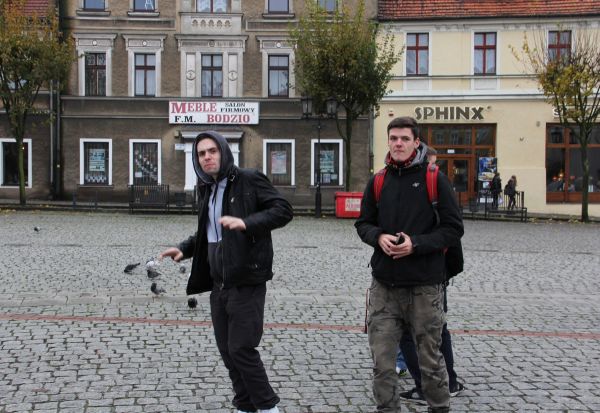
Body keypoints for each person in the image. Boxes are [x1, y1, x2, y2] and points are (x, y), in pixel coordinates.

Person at [159, 131, 293, 413]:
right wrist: (184, 248)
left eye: (212, 151)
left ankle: (269, 408)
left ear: (223, 151)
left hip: (246, 279)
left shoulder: (249, 179)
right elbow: (207, 232)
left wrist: (246, 223)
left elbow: (283, 210)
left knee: (242, 348)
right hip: (218, 284)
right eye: (201, 153)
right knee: (228, 352)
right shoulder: (206, 188)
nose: (207, 157)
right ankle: (245, 406)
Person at [355, 116, 464, 413]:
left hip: (424, 286)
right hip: (384, 287)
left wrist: (415, 244)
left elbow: (453, 229)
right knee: (382, 363)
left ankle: (439, 408)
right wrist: (378, 237)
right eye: (394, 138)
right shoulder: (378, 180)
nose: (398, 144)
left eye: (405, 139)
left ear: (416, 143)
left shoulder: (434, 179)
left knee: (430, 361)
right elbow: (363, 223)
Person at [396, 145, 465, 404]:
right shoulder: (417, 184)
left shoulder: (436, 184)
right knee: (435, 328)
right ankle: (445, 381)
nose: (433, 168)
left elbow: (452, 229)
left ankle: (435, 384)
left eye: (434, 164)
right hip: (430, 268)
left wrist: (418, 245)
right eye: (430, 163)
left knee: (425, 329)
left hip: (432, 270)